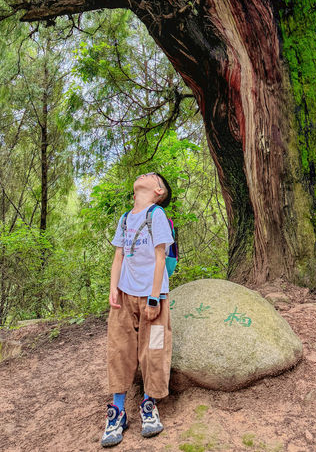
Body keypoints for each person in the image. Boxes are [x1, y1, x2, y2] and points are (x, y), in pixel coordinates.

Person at [101, 171, 174, 447]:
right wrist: (113, 286)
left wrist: (154, 298)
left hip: (153, 297)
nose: (145, 174)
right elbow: (118, 253)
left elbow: (159, 256)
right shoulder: (124, 218)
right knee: (119, 348)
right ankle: (117, 411)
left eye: (152, 176)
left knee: (154, 347)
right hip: (124, 296)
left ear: (158, 191)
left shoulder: (156, 215)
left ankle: (149, 405)